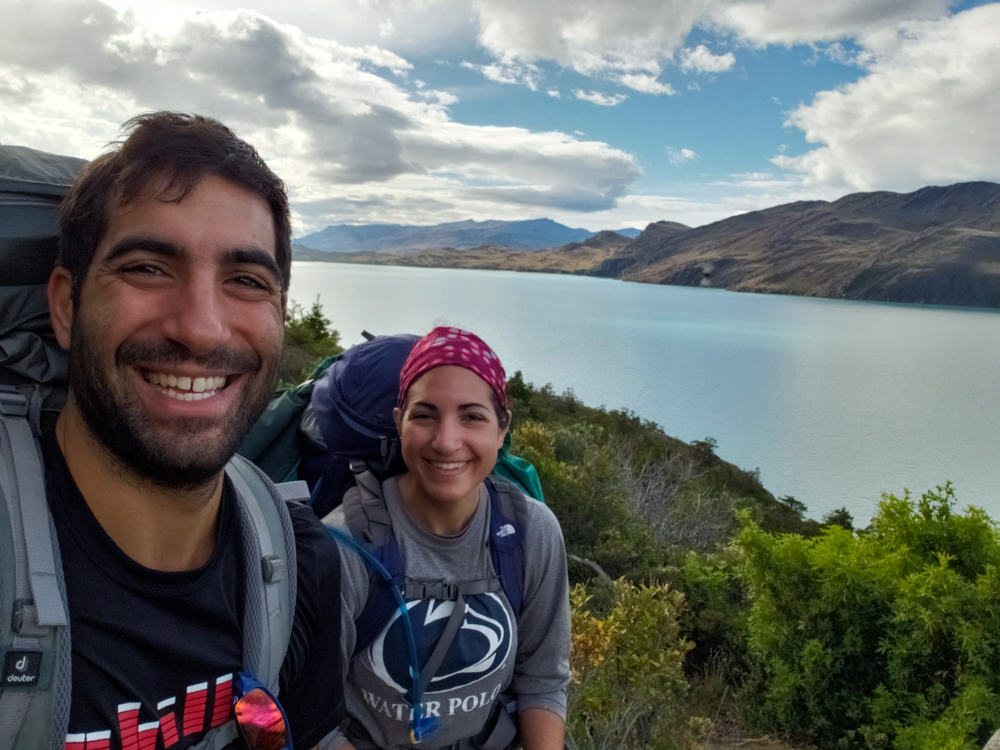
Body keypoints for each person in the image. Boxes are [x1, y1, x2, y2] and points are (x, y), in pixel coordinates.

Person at [31, 112, 343, 749]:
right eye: (148, 267)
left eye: (246, 281)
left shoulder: (298, 563)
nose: (202, 328)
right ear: (67, 305)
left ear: (279, 317)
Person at [324, 327, 570, 750]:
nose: (446, 441)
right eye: (425, 415)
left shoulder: (531, 532)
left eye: (472, 416)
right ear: (400, 420)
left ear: (501, 428)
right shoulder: (345, 544)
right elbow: (318, 721)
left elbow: (543, 681)